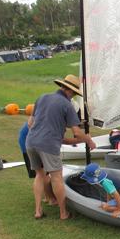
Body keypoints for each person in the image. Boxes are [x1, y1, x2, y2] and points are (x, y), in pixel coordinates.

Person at [26, 74, 96, 220]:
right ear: (70, 91)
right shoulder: (67, 105)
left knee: (40, 175)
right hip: (48, 145)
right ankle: (63, 213)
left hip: (31, 141)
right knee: (56, 177)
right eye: (74, 94)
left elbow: (30, 123)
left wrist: (49, 133)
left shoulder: (42, 97)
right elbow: (77, 133)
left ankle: (38, 211)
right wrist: (89, 140)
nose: (73, 97)